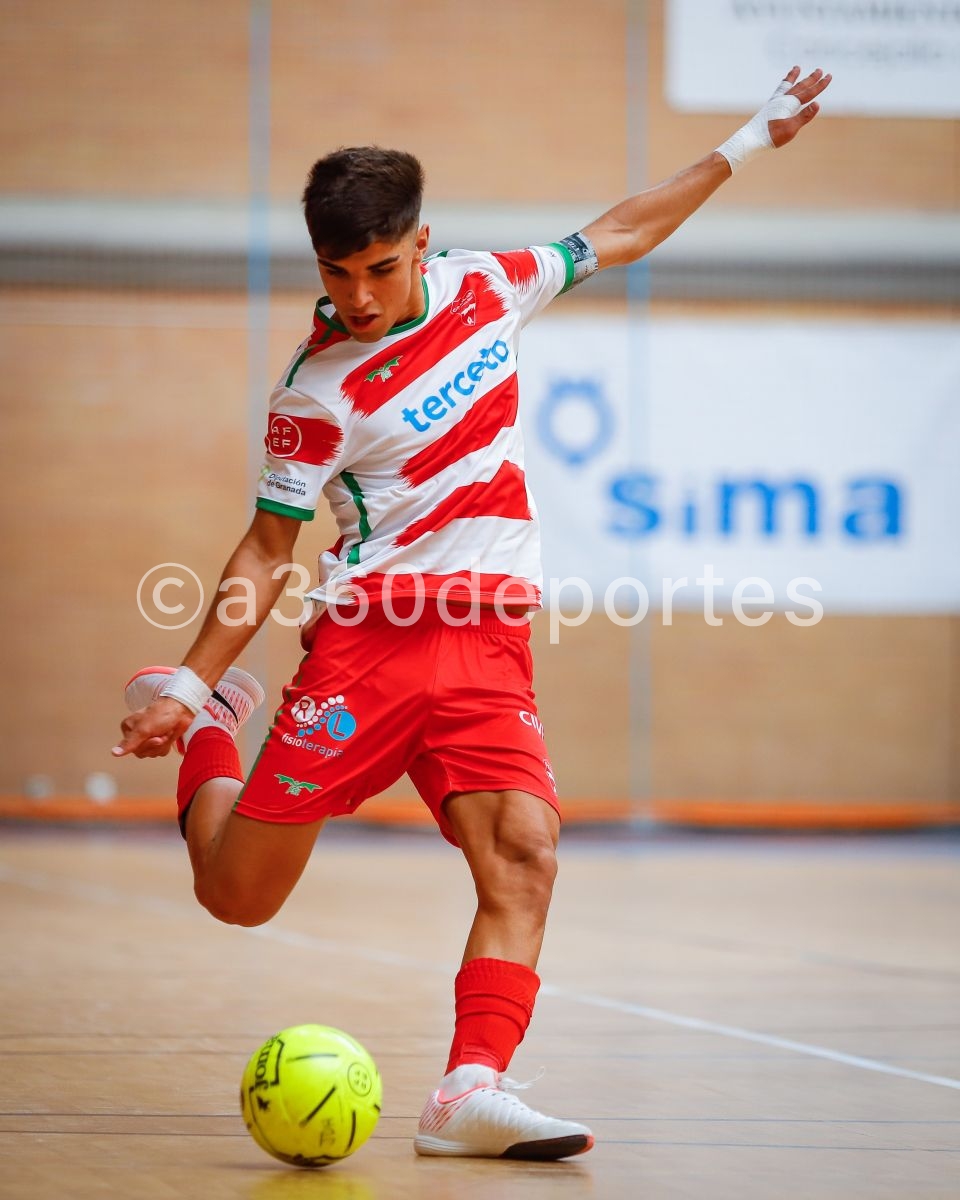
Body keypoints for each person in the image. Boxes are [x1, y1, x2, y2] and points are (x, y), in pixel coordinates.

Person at [113, 66, 831, 1161]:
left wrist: (748, 142)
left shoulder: (490, 286)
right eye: (337, 271)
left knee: (527, 852)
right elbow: (266, 549)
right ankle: (219, 732)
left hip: (490, 642)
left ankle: (467, 1092)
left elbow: (620, 231)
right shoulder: (315, 395)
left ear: (422, 242)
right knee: (238, 896)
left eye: (380, 267)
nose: (359, 296)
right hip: (368, 651)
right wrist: (187, 685)